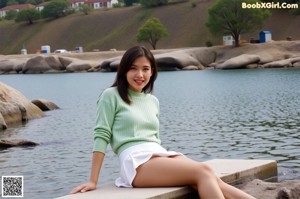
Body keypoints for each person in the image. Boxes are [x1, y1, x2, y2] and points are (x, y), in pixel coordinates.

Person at [70, 46, 255, 199]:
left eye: (145, 69)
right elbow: (101, 135)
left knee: (213, 178)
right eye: (133, 68)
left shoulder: (152, 100)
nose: (139, 74)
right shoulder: (111, 95)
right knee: (203, 170)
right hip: (135, 162)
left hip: (158, 154)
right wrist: (93, 180)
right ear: (124, 70)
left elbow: (155, 138)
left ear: (152, 72)